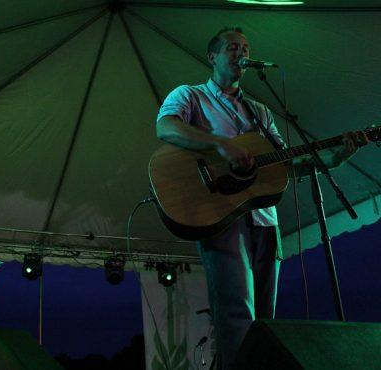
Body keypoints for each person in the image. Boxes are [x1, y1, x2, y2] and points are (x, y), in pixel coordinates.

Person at [155, 27, 367, 369]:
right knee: (236, 318)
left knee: (263, 325)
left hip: (265, 221)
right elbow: (165, 127)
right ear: (213, 57)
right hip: (222, 217)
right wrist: (220, 145)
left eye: (245, 48)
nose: (241, 53)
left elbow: (288, 166)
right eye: (232, 47)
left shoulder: (260, 112)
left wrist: (337, 156)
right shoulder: (191, 96)